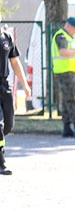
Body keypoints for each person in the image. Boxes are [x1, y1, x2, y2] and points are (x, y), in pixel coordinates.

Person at [0, 14, 32, 175]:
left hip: (4, 86)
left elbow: (15, 62)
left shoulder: (7, 37)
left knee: (7, 126)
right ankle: (1, 162)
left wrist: (25, 84)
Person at [52, 16, 75, 138]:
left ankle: (67, 128)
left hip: (68, 72)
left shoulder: (67, 37)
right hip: (66, 72)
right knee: (73, 100)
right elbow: (63, 52)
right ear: (69, 26)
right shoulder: (61, 36)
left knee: (67, 100)